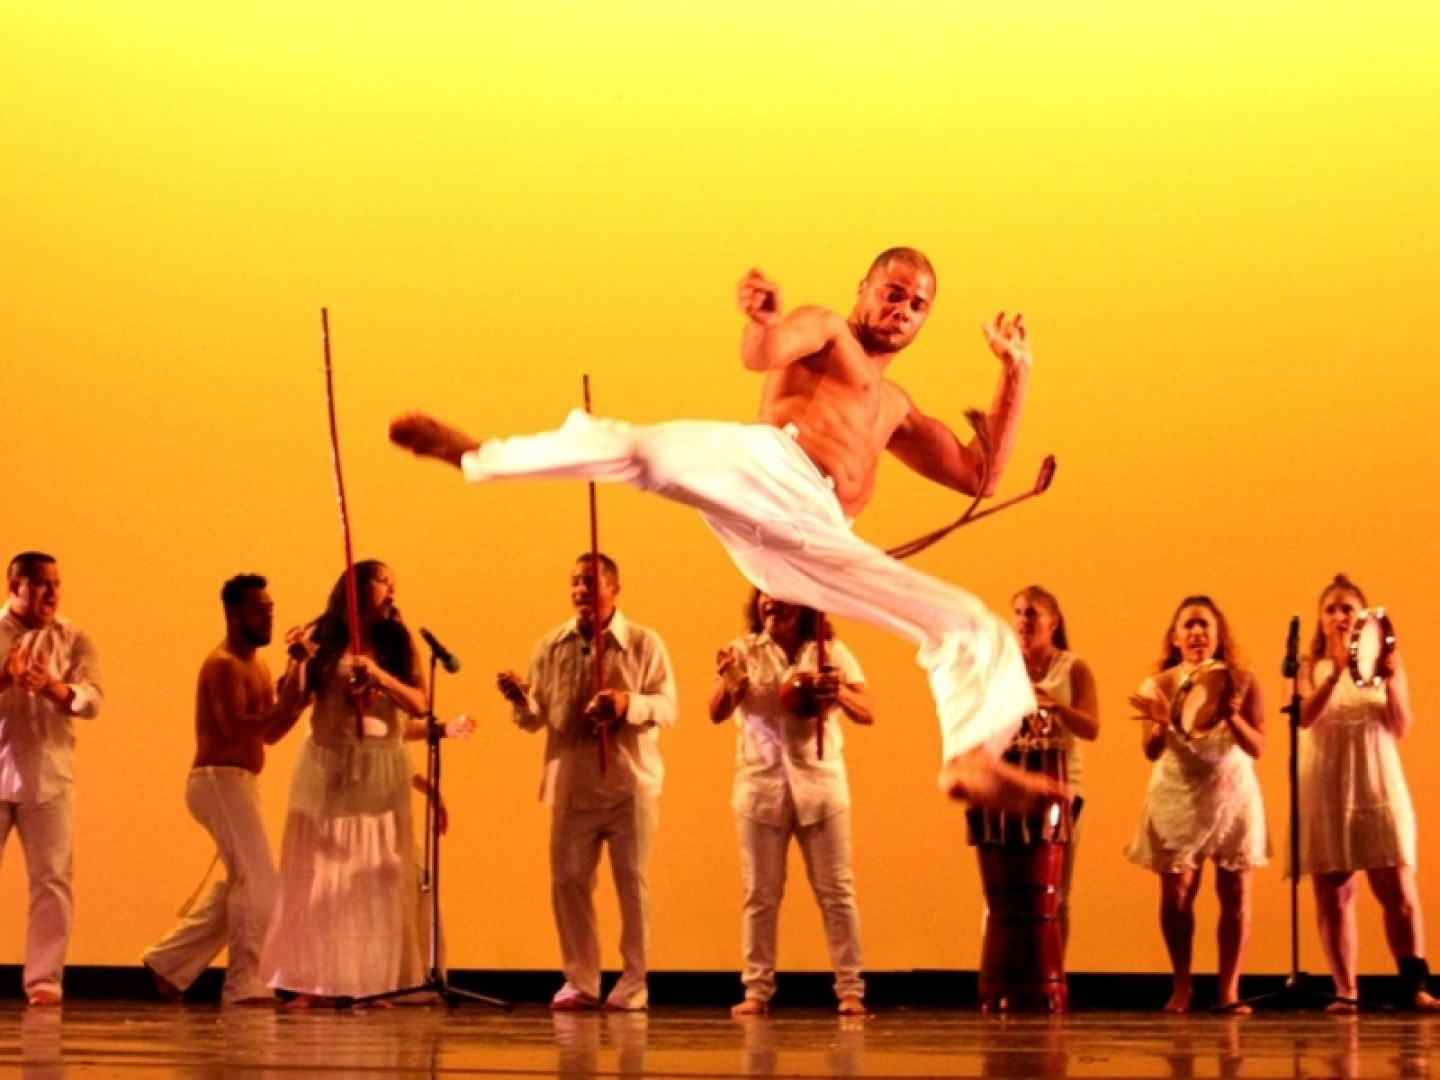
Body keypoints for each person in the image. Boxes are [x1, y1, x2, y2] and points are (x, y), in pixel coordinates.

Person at [390, 248, 1056, 813]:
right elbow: (763, 351)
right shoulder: (828, 331)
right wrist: (763, 322)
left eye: (917, 304)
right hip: (769, 466)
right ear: (865, 290)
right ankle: (479, 457)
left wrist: (1015, 373)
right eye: (893, 292)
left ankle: (970, 757)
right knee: (648, 452)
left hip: (811, 537)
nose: (902, 309)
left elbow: (982, 475)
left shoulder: (896, 408)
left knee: (968, 620)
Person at [260, 560, 461, 1007]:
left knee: (375, 875)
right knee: (320, 877)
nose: (391, 589)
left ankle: (372, 983)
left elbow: (419, 703)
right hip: (327, 764)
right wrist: (297, 662)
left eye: (394, 581)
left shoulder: (396, 640)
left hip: (379, 767)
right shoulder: (323, 635)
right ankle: (312, 983)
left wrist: (379, 677)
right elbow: (293, 703)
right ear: (356, 587)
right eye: (382, 580)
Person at [496, 553, 677, 1011]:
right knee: (569, 883)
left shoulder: (644, 643)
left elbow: (668, 707)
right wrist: (520, 700)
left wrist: (625, 704)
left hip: (627, 785)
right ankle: (580, 979)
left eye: (590, 582)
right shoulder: (550, 646)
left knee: (631, 884)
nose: (580, 590)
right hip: (572, 785)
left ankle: (634, 982)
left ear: (614, 589)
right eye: (575, 582)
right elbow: (539, 718)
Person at [142, 574, 309, 1005]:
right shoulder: (223, 665)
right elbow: (236, 728)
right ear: (233, 613)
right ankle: (244, 984)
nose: (268, 616)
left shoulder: (260, 665)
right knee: (259, 884)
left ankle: (168, 963)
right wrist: (286, 704)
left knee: (242, 882)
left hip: (239, 783)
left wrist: (296, 689)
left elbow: (269, 734)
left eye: (271, 609)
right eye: (259, 609)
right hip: (216, 781)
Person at [709, 589, 873, 1017]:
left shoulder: (831, 653)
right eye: (765, 596)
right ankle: (757, 991)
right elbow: (714, 711)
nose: (771, 605)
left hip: (821, 789)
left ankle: (851, 990)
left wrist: (836, 692)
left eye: (780, 598)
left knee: (837, 893)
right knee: (760, 895)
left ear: (802, 606)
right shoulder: (742, 650)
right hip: (760, 790)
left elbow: (868, 710)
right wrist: (731, 681)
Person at [1296, 574, 1440, 1012]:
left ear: (1364, 620)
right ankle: (1345, 989)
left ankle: (1415, 983)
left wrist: (1393, 680)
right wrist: (1332, 675)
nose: (1340, 617)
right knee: (1334, 890)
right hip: (1328, 782)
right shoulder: (1308, 667)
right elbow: (1302, 718)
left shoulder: (1386, 665)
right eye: (1331, 610)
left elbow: (1400, 726)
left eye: (1348, 609)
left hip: (1376, 779)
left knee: (1396, 884)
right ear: (1320, 620)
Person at [1124, 595, 1269, 1013]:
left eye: (1204, 624)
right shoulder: (1159, 684)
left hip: (1233, 791)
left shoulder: (1244, 681)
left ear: (1219, 634)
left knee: (1236, 893)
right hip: (1178, 793)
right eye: (1188, 625)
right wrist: (1166, 716)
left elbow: (1258, 746)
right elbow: (1151, 750)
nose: (1197, 632)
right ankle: (1183, 985)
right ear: (1175, 636)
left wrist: (1233, 716)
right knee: (1178, 895)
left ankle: (1228, 990)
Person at [0, 552, 103, 1006]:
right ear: (15, 586)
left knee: (52, 880)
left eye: (57, 583)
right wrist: (4, 678)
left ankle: (44, 980)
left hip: (51, 776)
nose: (52, 593)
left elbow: (93, 700)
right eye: (41, 584)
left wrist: (52, 688)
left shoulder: (74, 637)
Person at [1009, 586, 1099, 950]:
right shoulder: (1004, 667)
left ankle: (1051, 973)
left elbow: (1092, 728)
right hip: (1015, 781)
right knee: (1006, 892)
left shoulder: (1072, 667)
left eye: (1031, 613)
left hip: (1062, 784)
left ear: (1053, 621)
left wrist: (1055, 706)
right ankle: (1007, 974)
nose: (1022, 621)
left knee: (1055, 891)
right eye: (1017, 612)